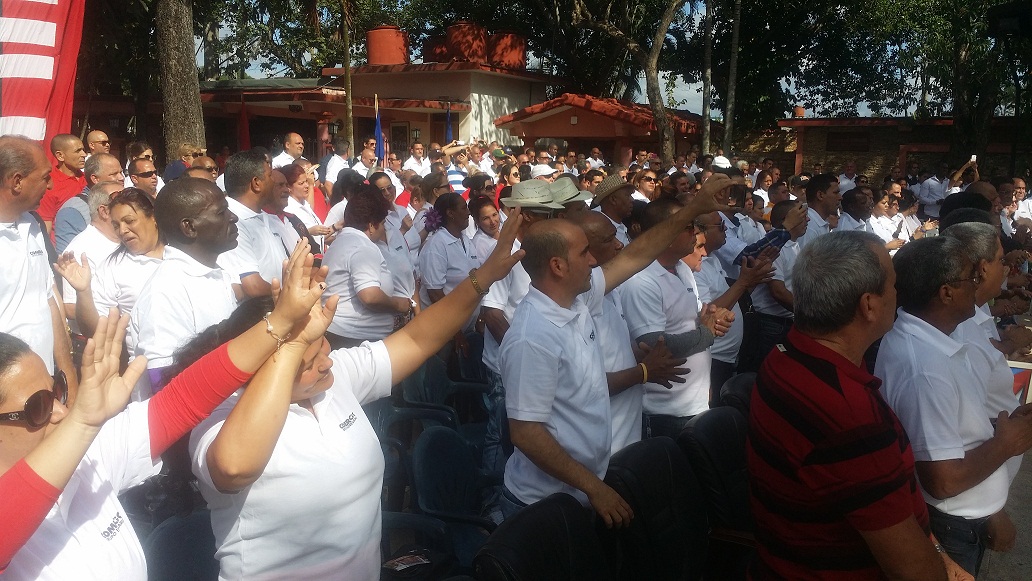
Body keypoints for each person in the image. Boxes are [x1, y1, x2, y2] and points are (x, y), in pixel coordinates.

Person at [188, 216, 526, 579]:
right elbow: (234, 468)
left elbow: (418, 338)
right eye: (305, 358)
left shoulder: (335, 380)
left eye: (322, 346)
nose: (326, 362)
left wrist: (483, 277)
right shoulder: (223, 415)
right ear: (261, 367)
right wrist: (291, 338)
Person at [0, 240, 329, 580]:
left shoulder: (87, 457)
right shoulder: (77, 436)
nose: (59, 411)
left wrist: (280, 321)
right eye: (37, 407)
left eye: (58, 390)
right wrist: (82, 421)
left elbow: (183, 400)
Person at [499, 175, 729, 523]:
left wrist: (694, 209)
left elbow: (636, 255)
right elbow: (526, 433)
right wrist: (594, 486)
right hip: (545, 506)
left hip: (581, 492)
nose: (594, 261)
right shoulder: (532, 336)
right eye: (584, 252)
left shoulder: (577, 300)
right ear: (558, 267)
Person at [747, 231, 968, 580]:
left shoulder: (787, 355)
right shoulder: (849, 418)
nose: (898, 295)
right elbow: (912, 570)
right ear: (868, 305)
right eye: (893, 286)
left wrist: (938, 549)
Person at [876, 236, 1032, 576]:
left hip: (964, 517)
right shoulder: (925, 370)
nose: (978, 286)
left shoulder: (940, 337)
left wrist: (1005, 428)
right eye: (970, 278)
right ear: (946, 293)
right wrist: (1007, 444)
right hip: (953, 525)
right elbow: (942, 482)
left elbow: (958, 428)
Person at [567, 210, 688, 454]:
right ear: (584, 252)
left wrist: (635, 353)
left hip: (625, 435)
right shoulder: (571, 306)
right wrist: (643, 371)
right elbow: (582, 388)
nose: (619, 244)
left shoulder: (610, 293)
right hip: (598, 450)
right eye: (608, 239)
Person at [619, 199, 733, 438]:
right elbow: (655, 344)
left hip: (695, 403)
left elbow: (692, 321)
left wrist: (713, 318)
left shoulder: (681, 268)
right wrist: (707, 333)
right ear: (667, 234)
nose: (696, 232)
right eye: (688, 226)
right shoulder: (642, 280)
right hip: (664, 413)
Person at [129, 178, 240, 395]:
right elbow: (163, 382)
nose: (233, 217)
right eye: (221, 212)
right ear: (189, 227)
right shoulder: (166, 289)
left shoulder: (218, 274)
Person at [0, 135, 77, 390]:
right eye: (45, 176)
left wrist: (68, 379)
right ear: (17, 181)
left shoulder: (32, 226)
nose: (52, 185)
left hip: (44, 389)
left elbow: (48, 300)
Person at [56, 188, 166, 342]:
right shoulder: (112, 268)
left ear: (153, 217)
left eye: (129, 221)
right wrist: (84, 292)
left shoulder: (181, 253)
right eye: (116, 225)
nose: (122, 230)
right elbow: (93, 330)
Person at [693, 211, 776, 401]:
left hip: (730, 357)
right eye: (721, 227)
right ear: (701, 232)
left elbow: (735, 297)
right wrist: (743, 282)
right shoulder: (695, 268)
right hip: (714, 358)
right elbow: (706, 313)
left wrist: (754, 277)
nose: (726, 231)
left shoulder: (712, 260)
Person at [323, 185, 413, 348]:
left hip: (345, 335)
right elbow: (370, 296)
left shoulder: (342, 242)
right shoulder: (362, 246)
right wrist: (398, 304)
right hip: (355, 340)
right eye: (383, 223)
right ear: (371, 225)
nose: (384, 228)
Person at [218, 149, 287, 297]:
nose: (274, 181)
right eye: (269, 176)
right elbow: (253, 286)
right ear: (256, 183)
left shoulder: (267, 217)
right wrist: (290, 300)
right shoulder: (233, 223)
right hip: (260, 315)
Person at [54, 153, 124, 253]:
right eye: (114, 174)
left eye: (121, 172)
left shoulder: (125, 201)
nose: (121, 177)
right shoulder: (72, 211)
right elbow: (68, 260)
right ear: (95, 179)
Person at [39, 134, 87, 234]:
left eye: (83, 150)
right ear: (60, 156)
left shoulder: (89, 178)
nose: (84, 154)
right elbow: (46, 224)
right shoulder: (48, 185)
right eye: (77, 151)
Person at [281, 163, 332, 249]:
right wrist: (309, 232)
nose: (307, 186)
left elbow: (320, 235)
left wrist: (337, 225)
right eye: (301, 183)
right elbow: (291, 239)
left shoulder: (304, 203)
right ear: (289, 187)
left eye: (306, 181)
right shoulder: (288, 209)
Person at [592, 174, 635, 245]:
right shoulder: (602, 232)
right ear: (613, 199)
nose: (632, 200)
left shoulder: (620, 226)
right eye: (627, 195)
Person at [470, 195, 501, 264]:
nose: (492, 222)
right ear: (477, 221)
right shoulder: (479, 245)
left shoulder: (504, 231)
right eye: (486, 218)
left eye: (494, 215)